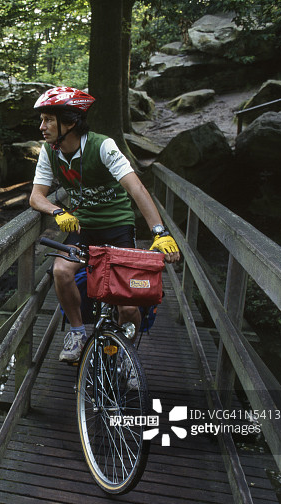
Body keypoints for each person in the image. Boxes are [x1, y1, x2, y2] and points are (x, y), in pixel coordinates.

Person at [29, 86, 180, 362]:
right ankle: (77, 333)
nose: (42, 126)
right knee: (61, 269)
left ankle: (127, 355)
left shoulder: (103, 146)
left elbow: (137, 189)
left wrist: (160, 232)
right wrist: (57, 211)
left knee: (127, 305)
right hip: (83, 229)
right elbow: (36, 197)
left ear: (71, 121)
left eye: (49, 119)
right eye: (43, 120)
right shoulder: (49, 152)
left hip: (118, 227)